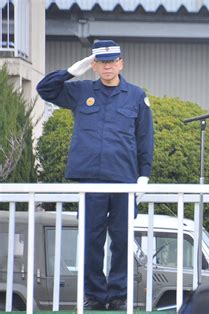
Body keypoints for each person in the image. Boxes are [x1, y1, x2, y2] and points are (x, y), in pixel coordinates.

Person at [36, 40, 154, 310]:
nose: (108, 66)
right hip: (91, 180)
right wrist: (70, 72)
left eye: (112, 61)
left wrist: (144, 175)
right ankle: (94, 294)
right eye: (101, 62)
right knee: (92, 239)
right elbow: (45, 89)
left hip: (124, 180)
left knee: (122, 240)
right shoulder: (81, 91)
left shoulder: (136, 95)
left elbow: (145, 137)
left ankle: (118, 295)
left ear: (121, 63)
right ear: (94, 65)